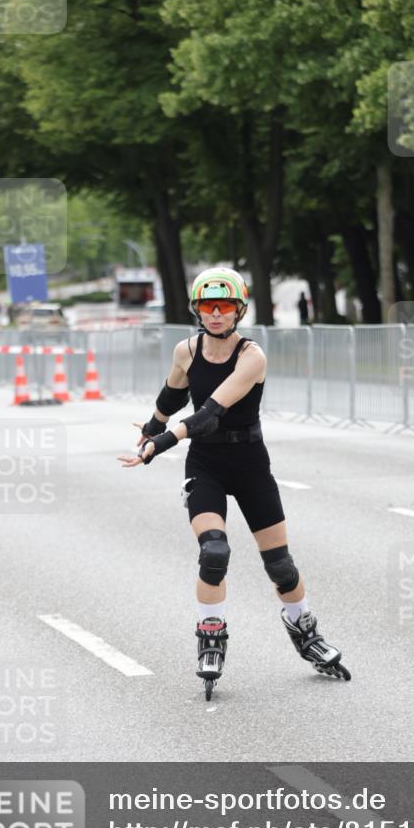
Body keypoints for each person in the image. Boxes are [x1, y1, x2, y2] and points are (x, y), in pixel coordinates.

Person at [118, 267, 349, 698]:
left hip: (249, 466)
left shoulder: (252, 356)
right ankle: (211, 634)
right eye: (208, 305)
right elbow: (173, 395)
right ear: (197, 310)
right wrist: (151, 426)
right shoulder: (186, 350)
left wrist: (160, 444)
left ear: (240, 309)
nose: (217, 313)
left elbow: (207, 415)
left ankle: (304, 629)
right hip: (205, 466)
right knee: (214, 551)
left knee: (280, 565)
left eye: (225, 306)